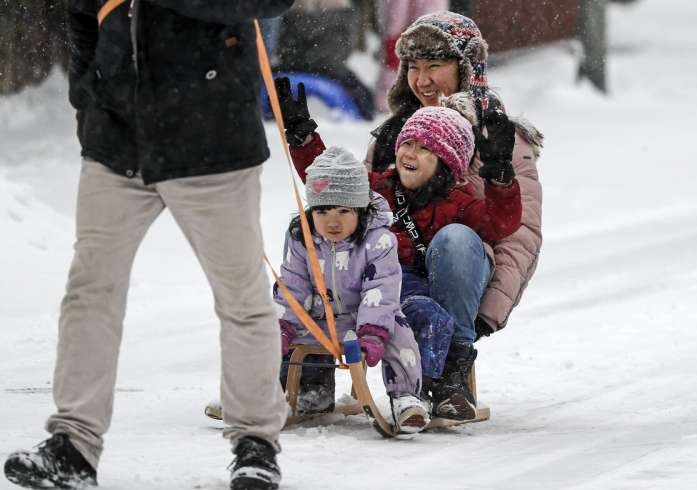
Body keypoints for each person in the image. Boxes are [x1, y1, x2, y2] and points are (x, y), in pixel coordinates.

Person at [3, 1, 294, 489]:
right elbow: (81, 14)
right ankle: (74, 445)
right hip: (118, 142)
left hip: (214, 140)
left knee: (241, 299)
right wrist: (88, 101)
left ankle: (255, 444)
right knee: (90, 293)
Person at [278, 11, 543, 421]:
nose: (423, 80)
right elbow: (351, 196)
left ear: (466, 68)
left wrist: (486, 313)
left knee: (454, 238)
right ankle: (305, 378)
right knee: (313, 236)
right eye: (414, 68)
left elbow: (518, 232)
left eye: (435, 66)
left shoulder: (499, 135)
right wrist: (305, 142)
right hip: (385, 269)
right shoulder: (393, 135)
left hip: (461, 271)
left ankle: (449, 374)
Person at [277, 146, 429, 433]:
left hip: (365, 319)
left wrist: (372, 332)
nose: (332, 221)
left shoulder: (379, 241)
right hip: (319, 319)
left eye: (343, 211)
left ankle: (405, 397)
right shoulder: (304, 239)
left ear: (360, 209)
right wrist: (283, 324)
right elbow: (292, 284)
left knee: (400, 333)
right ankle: (275, 394)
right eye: (322, 211)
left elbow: (382, 290)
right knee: (264, 333)